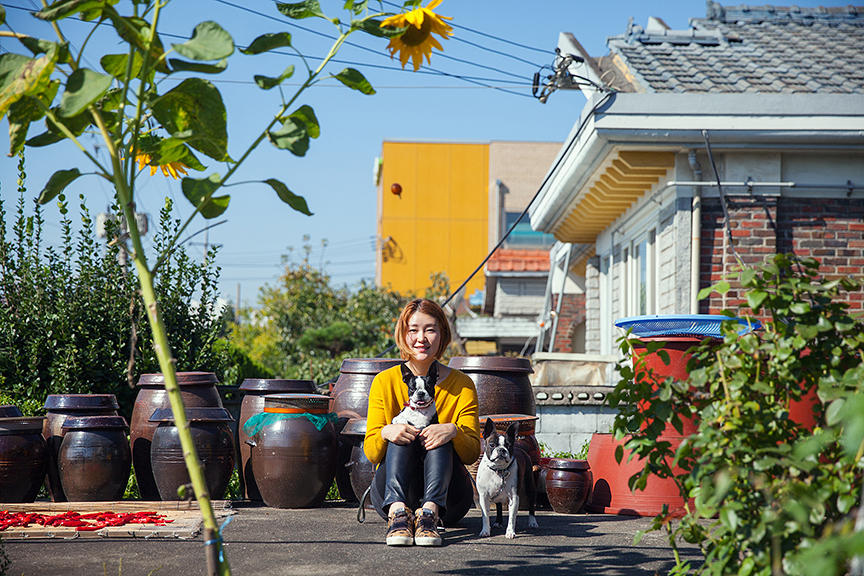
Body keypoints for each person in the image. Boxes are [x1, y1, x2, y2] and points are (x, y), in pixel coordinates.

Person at [364, 298, 481, 546]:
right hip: (390, 492)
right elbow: (372, 453)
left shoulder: (462, 385)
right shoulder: (384, 382)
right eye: (413, 330)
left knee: (440, 434)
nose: (421, 338)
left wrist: (453, 431)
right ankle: (398, 513)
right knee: (401, 430)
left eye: (430, 329)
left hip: (449, 500)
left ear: (442, 334)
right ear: (402, 334)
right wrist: (386, 431)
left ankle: (429, 513)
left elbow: (472, 453)